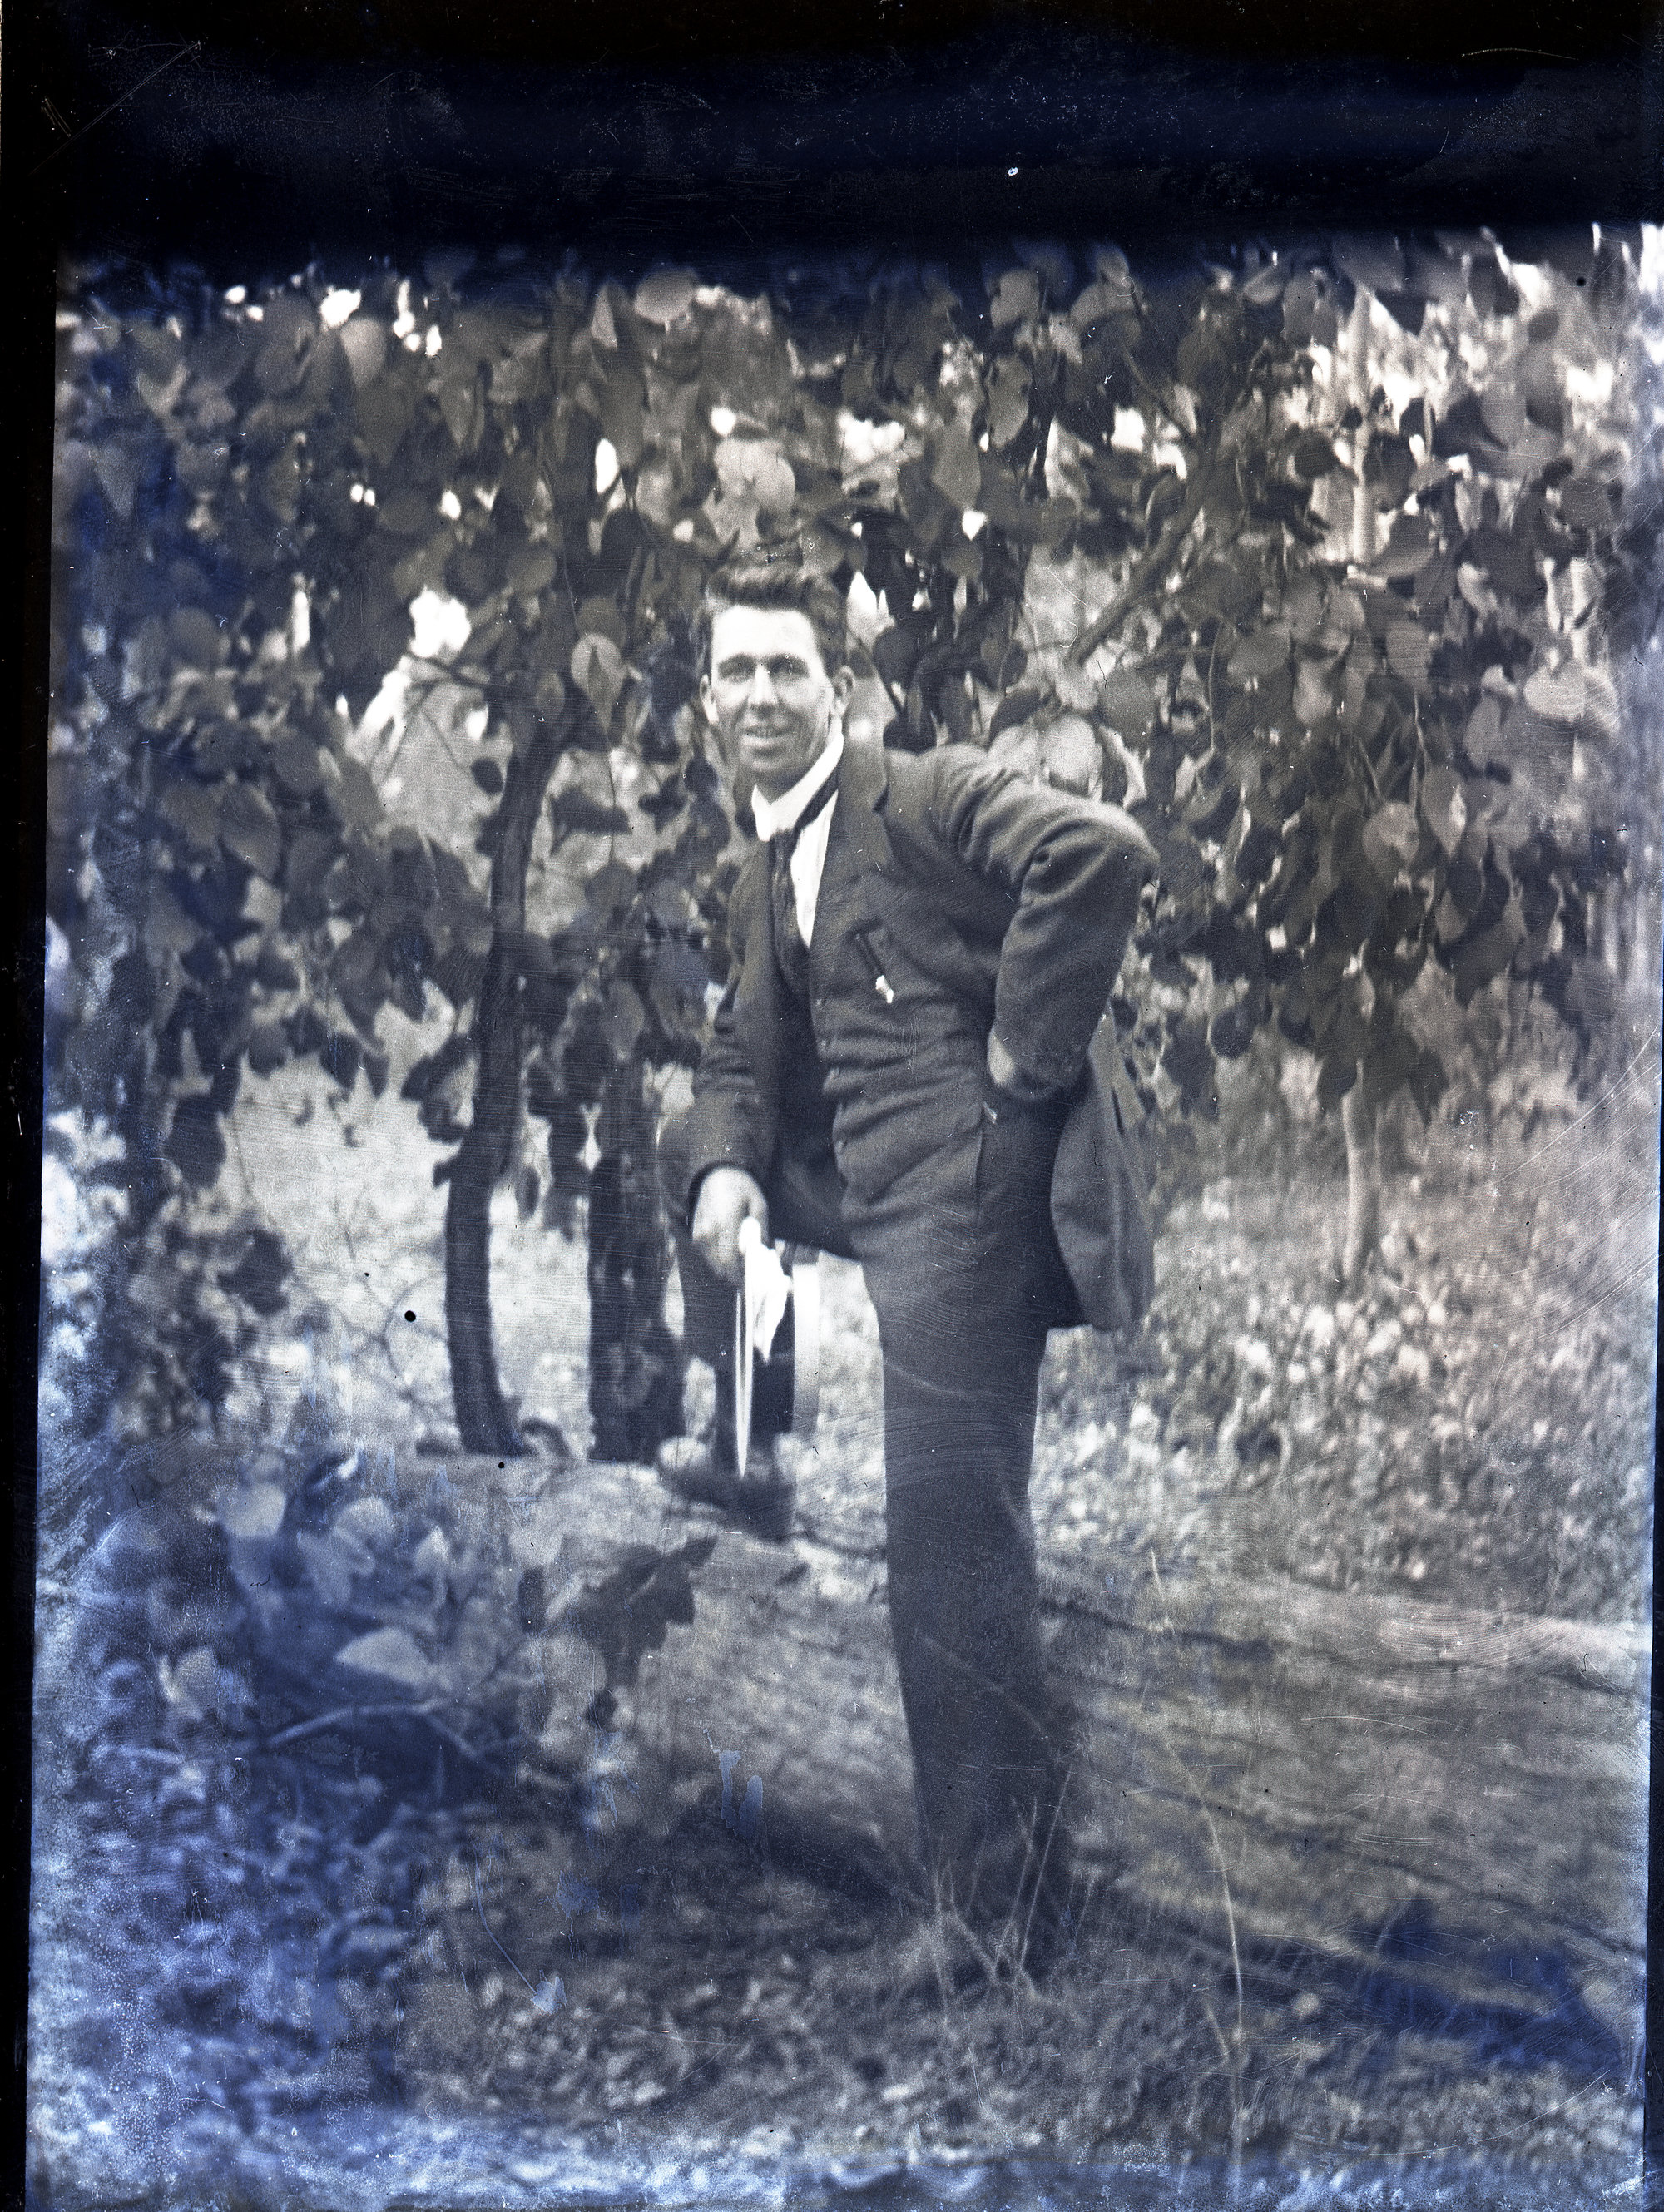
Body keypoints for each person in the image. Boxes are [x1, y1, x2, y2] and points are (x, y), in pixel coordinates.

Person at [656, 552, 1156, 1975]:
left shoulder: (924, 795)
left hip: (970, 1201)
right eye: (737, 670)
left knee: (944, 1537)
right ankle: (751, 1447)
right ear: (709, 700)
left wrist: (1021, 1060)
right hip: (869, 1188)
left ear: (842, 689)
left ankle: (989, 1915)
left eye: (787, 668)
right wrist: (730, 1168)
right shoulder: (758, 869)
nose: (762, 693)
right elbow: (734, 1056)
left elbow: (1101, 854)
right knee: (685, 1142)